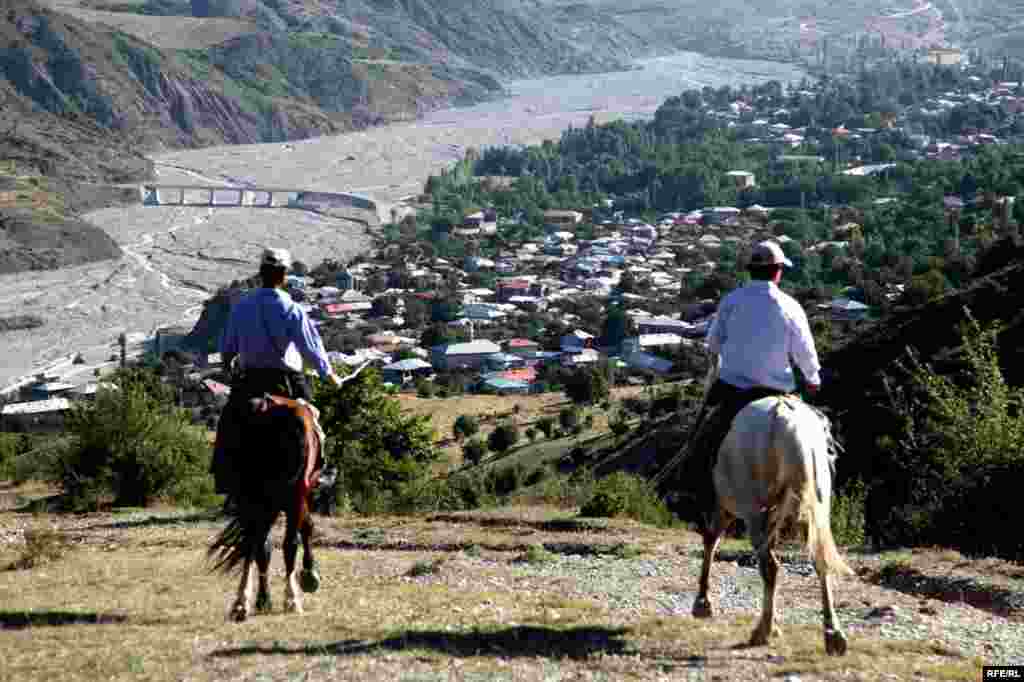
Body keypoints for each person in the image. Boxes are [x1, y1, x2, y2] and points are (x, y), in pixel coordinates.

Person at [690, 240, 822, 524]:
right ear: (778, 272)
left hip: (733, 390)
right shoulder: (790, 306)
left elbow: (712, 344)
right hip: (779, 391)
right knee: (820, 437)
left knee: (702, 443)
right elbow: (805, 352)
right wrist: (813, 379)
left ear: (751, 271)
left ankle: (700, 499)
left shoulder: (731, 301)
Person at [212, 248, 342, 498]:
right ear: (283, 275)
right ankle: (319, 470)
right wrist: (329, 374)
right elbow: (312, 349)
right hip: (287, 383)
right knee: (312, 422)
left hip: (250, 381)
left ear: (260, 273)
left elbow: (227, 349)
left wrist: (228, 368)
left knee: (229, 423)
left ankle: (225, 477)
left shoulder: (242, 306)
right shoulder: (292, 309)